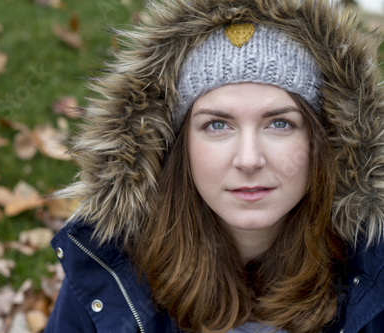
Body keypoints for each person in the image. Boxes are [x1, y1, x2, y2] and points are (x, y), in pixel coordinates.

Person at [44, 0, 384, 332]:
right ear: (180, 147)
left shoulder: (374, 274)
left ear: (322, 142)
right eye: (217, 125)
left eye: (279, 124)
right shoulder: (107, 270)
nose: (249, 159)